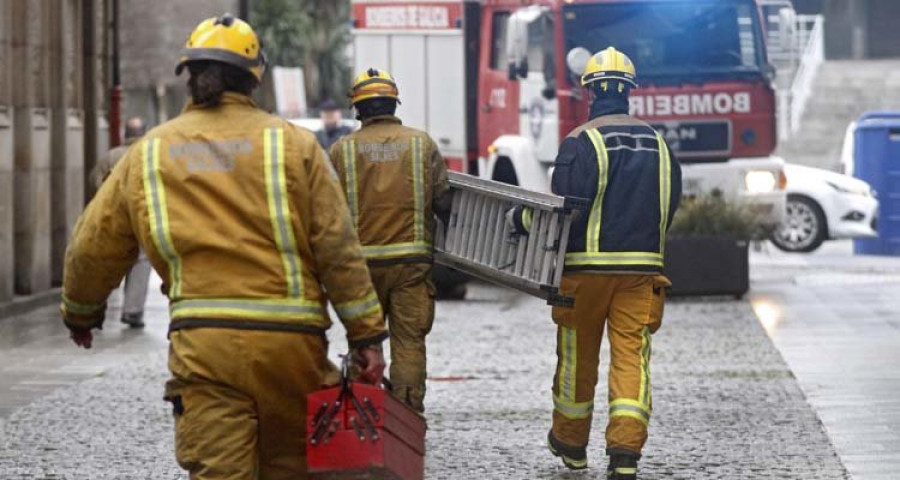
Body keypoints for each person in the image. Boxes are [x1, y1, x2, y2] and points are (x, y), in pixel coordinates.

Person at [60, 14, 388, 479]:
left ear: (189, 77)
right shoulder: (295, 147)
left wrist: (81, 311)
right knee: (291, 466)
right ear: (254, 78)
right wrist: (367, 336)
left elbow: (95, 243)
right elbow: (338, 247)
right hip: (290, 347)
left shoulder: (150, 151)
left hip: (204, 346)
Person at [510, 47, 682, 479]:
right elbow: (671, 202)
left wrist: (520, 217)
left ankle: (571, 444)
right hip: (642, 274)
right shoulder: (659, 144)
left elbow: (563, 204)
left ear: (589, 91)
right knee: (631, 358)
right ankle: (625, 452)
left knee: (577, 357)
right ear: (629, 92)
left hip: (583, 274)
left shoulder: (581, 140)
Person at [328, 68, 451, 413]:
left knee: (362, 340)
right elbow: (443, 200)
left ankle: (362, 414)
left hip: (360, 268)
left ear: (358, 109)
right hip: (410, 266)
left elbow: (327, 210)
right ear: (394, 105)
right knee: (409, 341)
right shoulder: (420, 143)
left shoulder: (341, 151)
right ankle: (407, 414)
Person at [90, 117, 151, 328]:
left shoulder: (111, 156)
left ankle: (93, 307)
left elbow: (95, 182)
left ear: (125, 133)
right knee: (141, 260)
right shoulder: (149, 154)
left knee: (106, 261)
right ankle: (132, 310)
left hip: (112, 216)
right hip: (141, 216)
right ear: (144, 132)